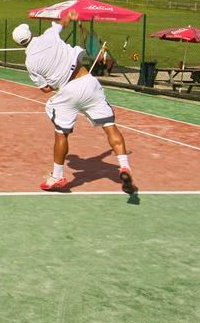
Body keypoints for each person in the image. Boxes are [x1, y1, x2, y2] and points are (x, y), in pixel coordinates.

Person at [13, 10, 136, 193]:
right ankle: (124, 166)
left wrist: (56, 81)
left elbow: (45, 89)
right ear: (30, 33)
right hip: (88, 82)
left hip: (67, 92)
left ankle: (57, 176)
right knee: (110, 126)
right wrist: (71, 12)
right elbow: (64, 20)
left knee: (61, 134)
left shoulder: (30, 63)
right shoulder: (50, 35)